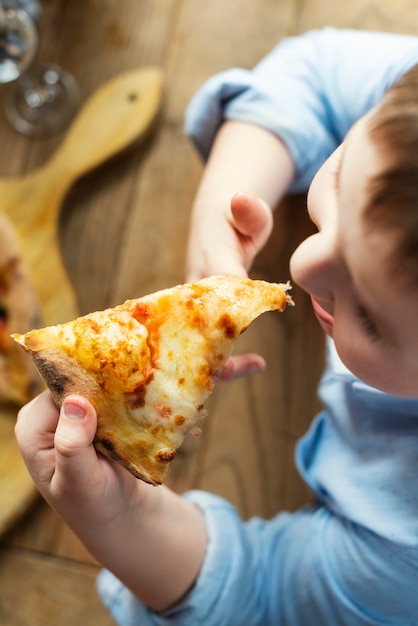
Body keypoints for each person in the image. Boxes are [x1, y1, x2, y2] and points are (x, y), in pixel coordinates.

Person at [15, 27, 418, 625]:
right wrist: (226, 198)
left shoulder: (403, 554)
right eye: (340, 178)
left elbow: (265, 596)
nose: (303, 265)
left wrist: (120, 518)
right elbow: (311, 77)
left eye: (373, 321)